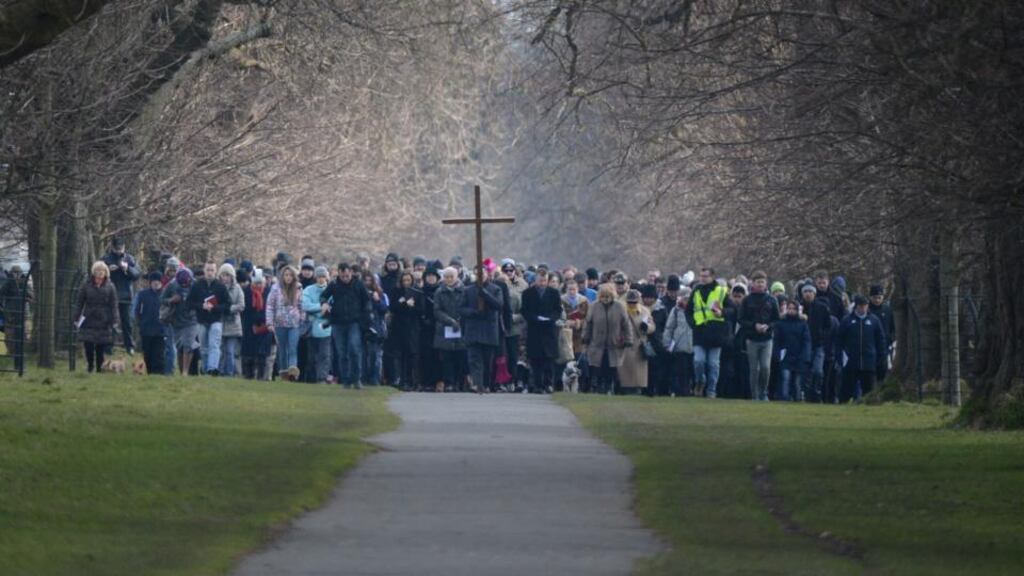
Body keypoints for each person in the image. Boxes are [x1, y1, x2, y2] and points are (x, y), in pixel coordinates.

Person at [321, 263, 371, 389]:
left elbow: (366, 300)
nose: (345, 278)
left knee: (354, 349)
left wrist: (366, 315)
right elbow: (323, 296)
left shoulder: (358, 284)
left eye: (347, 276)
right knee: (342, 352)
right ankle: (346, 379)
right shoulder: (334, 284)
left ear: (351, 273)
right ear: (339, 273)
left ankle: (357, 378)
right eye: (342, 276)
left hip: (354, 322)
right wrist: (324, 303)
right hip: (338, 322)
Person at [460, 264, 504, 394]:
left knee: (487, 360)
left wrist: (484, 293)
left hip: (488, 330)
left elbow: (499, 305)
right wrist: (473, 312)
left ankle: (486, 384)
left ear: (487, 274)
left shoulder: (495, 289)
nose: (480, 276)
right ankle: (478, 384)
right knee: (474, 359)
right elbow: (461, 308)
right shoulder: (467, 290)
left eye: (482, 273)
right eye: (477, 274)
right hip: (473, 329)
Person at [582, 283, 633, 395]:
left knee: (612, 369)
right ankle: (598, 387)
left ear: (612, 296)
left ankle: (610, 388)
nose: (605, 299)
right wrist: (585, 337)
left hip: (614, 344)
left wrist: (628, 339)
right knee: (597, 368)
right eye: (603, 296)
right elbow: (588, 323)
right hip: (597, 343)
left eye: (607, 296)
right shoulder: (594, 306)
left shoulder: (619, 307)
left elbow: (626, 324)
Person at [837, 294, 888, 402]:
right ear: (856, 306)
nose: (863, 308)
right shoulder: (847, 321)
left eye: (865, 306)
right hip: (851, 362)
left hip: (868, 363)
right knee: (846, 390)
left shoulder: (874, 320)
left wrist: (880, 357)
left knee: (869, 391)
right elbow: (839, 340)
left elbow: (880, 340)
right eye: (860, 306)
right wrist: (840, 357)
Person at [739, 271, 780, 401]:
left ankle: (763, 392)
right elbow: (741, 319)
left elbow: (776, 319)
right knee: (754, 369)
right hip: (751, 339)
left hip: (767, 339)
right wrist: (754, 326)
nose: (760, 284)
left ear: (766, 283)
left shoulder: (772, 300)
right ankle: (754, 395)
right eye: (758, 282)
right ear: (753, 283)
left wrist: (768, 326)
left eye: (762, 282)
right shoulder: (746, 300)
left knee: (765, 367)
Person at [689, 267, 729, 398]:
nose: (702, 278)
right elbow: (688, 311)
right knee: (698, 361)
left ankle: (711, 390)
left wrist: (722, 312)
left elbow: (733, 310)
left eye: (705, 276)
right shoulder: (696, 291)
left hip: (716, 333)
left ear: (712, 277)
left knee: (713, 364)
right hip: (699, 332)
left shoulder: (721, 292)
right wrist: (693, 324)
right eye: (701, 276)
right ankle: (700, 381)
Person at [521, 270, 563, 393]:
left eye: (545, 281)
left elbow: (558, 310)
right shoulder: (527, 293)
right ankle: (537, 385)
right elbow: (525, 310)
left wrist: (551, 318)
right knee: (536, 360)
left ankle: (548, 384)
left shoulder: (554, 293)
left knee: (549, 360)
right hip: (535, 330)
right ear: (535, 280)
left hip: (549, 330)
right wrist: (534, 318)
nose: (542, 283)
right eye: (540, 280)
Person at [74, 261, 120, 373]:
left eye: (102, 273)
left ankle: (100, 368)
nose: (99, 276)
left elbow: (114, 304)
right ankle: (90, 365)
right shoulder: (86, 285)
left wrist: (115, 320)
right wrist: (76, 317)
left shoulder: (111, 286)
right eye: (97, 273)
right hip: (88, 317)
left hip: (103, 319)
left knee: (100, 346)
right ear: (94, 274)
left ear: (105, 273)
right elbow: (80, 302)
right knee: (88, 344)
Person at [188, 261, 231, 376]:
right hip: (201, 320)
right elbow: (189, 303)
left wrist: (215, 307)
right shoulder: (197, 285)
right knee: (203, 347)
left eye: (212, 270)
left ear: (215, 271)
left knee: (214, 345)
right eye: (208, 270)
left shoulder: (221, 287)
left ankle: (212, 368)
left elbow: (228, 306)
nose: (210, 272)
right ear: (204, 270)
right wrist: (201, 306)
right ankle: (205, 368)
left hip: (216, 320)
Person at [102, 237, 141, 355]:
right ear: (112, 247)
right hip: (110, 294)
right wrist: (108, 270)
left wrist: (127, 268)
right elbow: (97, 272)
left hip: (126, 295)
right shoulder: (106, 259)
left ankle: (129, 346)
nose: (119, 251)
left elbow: (137, 274)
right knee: (110, 321)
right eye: (116, 248)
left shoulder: (130, 259)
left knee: (127, 322)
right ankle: (108, 345)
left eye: (121, 248)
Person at [266, 265, 303, 380]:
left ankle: (292, 371)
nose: (288, 277)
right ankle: (284, 373)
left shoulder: (298, 288)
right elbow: (270, 306)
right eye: (286, 275)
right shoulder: (275, 288)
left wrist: (302, 319)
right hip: (279, 324)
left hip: (294, 324)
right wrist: (269, 323)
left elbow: (302, 306)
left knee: (292, 348)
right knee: (282, 349)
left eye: (290, 275)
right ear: (282, 276)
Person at [433, 267, 466, 393]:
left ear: (456, 277)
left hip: (461, 326)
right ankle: (449, 382)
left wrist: (459, 320)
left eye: (451, 276)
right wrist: (450, 321)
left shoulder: (464, 291)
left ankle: (459, 382)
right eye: (446, 277)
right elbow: (437, 310)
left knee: (460, 355)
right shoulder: (439, 292)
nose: (449, 279)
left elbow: (466, 306)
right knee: (446, 357)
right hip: (444, 328)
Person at [161, 268, 199, 375]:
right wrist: (171, 300)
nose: (185, 286)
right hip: (176, 320)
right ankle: (182, 371)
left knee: (189, 344)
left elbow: (201, 298)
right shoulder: (171, 285)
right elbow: (162, 299)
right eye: (182, 284)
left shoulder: (195, 284)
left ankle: (185, 372)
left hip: (192, 320)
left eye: (186, 284)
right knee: (180, 347)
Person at [389, 271, 422, 390]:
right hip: (399, 327)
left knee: (411, 354)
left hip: (412, 328)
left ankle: (411, 380)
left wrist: (412, 306)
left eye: (409, 280)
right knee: (399, 354)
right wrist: (403, 303)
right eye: (404, 280)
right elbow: (392, 307)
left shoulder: (417, 292)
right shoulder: (396, 291)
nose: (406, 283)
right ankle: (400, 379)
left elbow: (421, 310)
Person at [774, 298, 811, 401]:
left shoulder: (803, 324)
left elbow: (806, 341)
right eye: (789, 308)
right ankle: (784, 398)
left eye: (793, 309)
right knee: (785, 378)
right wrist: (777, 354)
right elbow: (777, 340)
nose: (791, 311)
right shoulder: (781, 323)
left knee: (798, 382)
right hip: (785, 355)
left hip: (799, 356)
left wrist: (805, 356)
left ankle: (798, 398)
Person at [800, 283, 833, 402]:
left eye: (810, 292)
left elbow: (828, 326)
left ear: (814, 293)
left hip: (818, 344)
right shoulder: (799, 307)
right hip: (804, 345)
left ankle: (817, 395)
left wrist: (822, 336)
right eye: (805, 292)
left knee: (818, 371)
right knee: (806, 373)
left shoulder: (822, 308)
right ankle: (807, 396)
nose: (808, 294)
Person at [301, 266, 333, 383]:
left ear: (327, 277)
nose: (321, 279)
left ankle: (322, 378)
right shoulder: (308, 290)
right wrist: (321, 307)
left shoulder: (331, 289)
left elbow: (333, 307)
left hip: (326, 328)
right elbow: (305, 305)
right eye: (319, 276)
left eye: (323, 276)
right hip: (312, 329)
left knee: (324, 355)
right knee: (312, 356)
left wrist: (317, 310)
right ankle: (311, 378)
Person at [662, 287, 694, 397]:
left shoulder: (697, 310)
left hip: (693, 345)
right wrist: (667, 343)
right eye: (684, 299)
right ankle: (682, 391)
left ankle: (692, 389)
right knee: (681, 371)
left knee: (692, 370)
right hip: (679, 346)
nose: (686, 301)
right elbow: (669, 328)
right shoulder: (676, 310)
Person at [618, 289, 653, 393]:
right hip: (625, 346)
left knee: (638, 377)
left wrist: (647, 327)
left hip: (639, 347)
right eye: (630, 302)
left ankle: (638, 390)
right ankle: (624, 390)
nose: (632, 304)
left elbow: (652, 326)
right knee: (625, 376)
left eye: (634, 302)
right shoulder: (621, 311)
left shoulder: (645, 311)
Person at [241, 269, 273, 380]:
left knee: (262, 355)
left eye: (261, 283)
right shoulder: (246, 292)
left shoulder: (269, 292)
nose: (259, 285)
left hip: (264, 326)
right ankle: (248, 375)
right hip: (249, 326)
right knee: (248, 354)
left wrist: (263, 320)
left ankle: (261, 377)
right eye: (256, 283)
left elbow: (270, 308)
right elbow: (244, 309)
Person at [0, 265, 31, 373]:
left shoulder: (25, 283)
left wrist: (25, 293)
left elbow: (31, 296)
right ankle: (12, 359)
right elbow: (1, 295)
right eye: (14, 273)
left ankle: (20, 362)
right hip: (10, 316)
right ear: (11, 273)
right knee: (10, 338)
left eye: (18, 273)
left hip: (23, 315)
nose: (16, 275)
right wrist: (4, 310)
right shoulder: (8, 283)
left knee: (23, 339)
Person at [134, 271, 166, 375]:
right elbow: (137, 311)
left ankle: (158, 374)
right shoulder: (142, 295)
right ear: (150, 282)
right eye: (154, 281)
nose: (156, 283)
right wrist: (140, 323)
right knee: (147, 353)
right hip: (146, 329)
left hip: (160, 331)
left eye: (158, 281)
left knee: (159, 354)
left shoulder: (165, 294)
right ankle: (149, 372)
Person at [362, 272, 389, 385]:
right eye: (366, 280)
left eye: (370, 280)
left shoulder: (381, 294)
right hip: (363, 327)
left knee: (375, 355)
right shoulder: (360, 293)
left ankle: (375, 378)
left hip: (377, 328)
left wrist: (377, 300)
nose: (368, 283)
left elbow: (384, 310)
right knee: (363, 355)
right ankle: (363, 378)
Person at [218, 263, 245, 377]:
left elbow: (241, 305)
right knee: (220, 351)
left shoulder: (237, 288)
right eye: (223, 275)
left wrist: (229, 309)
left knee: (230, 351)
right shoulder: (217, 287)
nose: (225, 278)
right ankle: (219, 371)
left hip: (233, 324)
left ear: (232, 276)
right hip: (219, 322)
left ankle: (229, 373)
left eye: (227, 275)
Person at [419, 264, 443, 392]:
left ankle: (438, 381)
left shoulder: (441, 291)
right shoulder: (420, 292)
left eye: (433, 276)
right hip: (424, 328)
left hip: (439, 326)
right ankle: (426, 381)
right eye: (428, 276)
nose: (430, 278)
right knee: (426, 355)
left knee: (438, 355)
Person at [868, 284, 896, 382]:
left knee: (883, 368)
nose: (877, 300)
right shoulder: (867, 310)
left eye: (879, 298)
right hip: (870, 344)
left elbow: (892, 326)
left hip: (884, 344)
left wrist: (892, 338)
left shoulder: (887, 309)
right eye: (875, 298)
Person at [160, 257, 181, 374]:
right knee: (169, 346)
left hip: (178, 318)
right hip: (167, 317)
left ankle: (171, 370)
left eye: (174, 270)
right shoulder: (164, 282)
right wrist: (171, 300)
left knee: (174, 346)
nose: (172, 272)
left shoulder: (182, 282)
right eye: (170, 270)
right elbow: (162, 300)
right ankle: (168, 371)